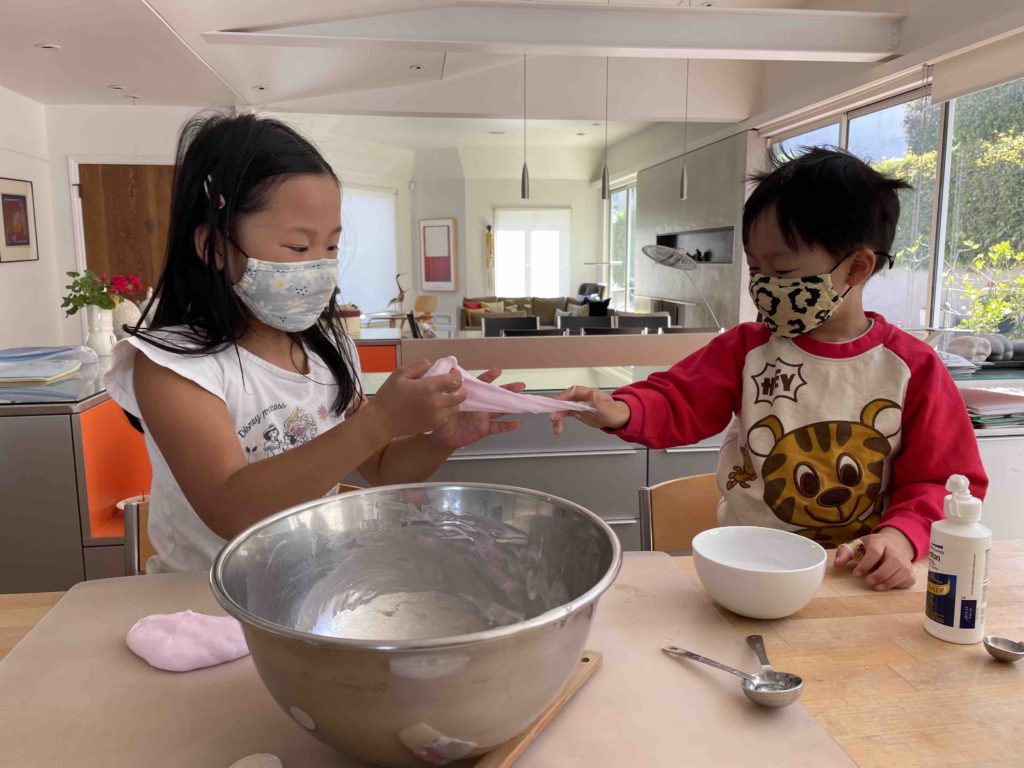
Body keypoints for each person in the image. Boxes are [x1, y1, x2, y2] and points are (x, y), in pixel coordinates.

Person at [552, 148, 988, 591]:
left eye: (781, 268)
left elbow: (945, 480)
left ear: (856, 267)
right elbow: (678, 397)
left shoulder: (913, 368)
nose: (763, 285)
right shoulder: (747, 348)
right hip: (750, 562)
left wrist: (899, 537)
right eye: (756, 268)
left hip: (855, 575)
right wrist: (621, 408)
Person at [106, 112, 522, 573]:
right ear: (214, 248)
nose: (322, 267)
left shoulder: (322, 351)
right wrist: (381, 419)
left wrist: (438, 441)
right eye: (299, 248)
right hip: (205, 607)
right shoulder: (172, 365)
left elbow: (382, 466)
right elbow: (231, 508)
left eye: (331, 247)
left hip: (311, 590)